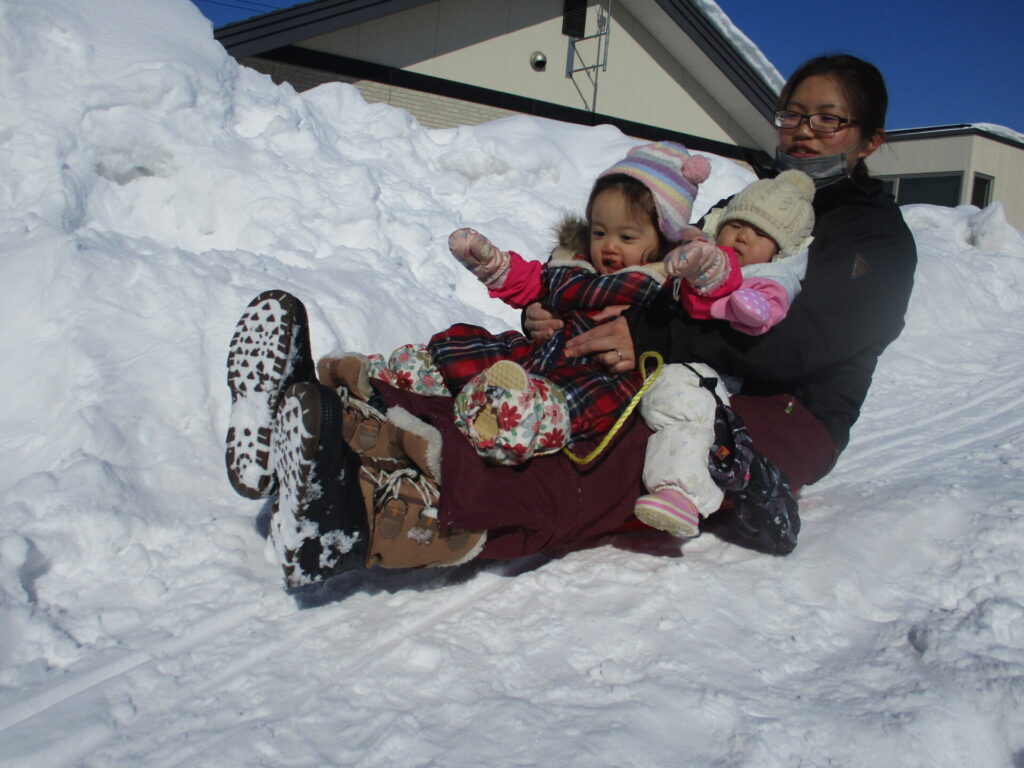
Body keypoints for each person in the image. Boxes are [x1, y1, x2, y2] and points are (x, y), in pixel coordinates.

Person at [224, 53, 917, 588]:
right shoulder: (743, 206)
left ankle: (373, 519)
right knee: (528, 376)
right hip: (684, 363)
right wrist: (574, 303)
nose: (804, 130)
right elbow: (660, 273)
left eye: (828, 118)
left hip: (787, 410)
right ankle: (337, 423)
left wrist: (652, 337)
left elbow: (802, 347)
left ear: (869, 141)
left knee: (616, 449)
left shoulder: (874, 238)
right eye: (794, 113)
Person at [332, 141, 711, 468]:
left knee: (543, 405)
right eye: (599, 232)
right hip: (538, 354)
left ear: (664, 240)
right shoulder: (574, 262)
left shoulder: (667, 282)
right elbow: (532, 282)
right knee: (474, 350)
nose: (608, 245)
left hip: (595, 377)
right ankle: (385, 382)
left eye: (626, 236)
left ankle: (475, 432)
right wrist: (493, 265)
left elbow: (694, 313)